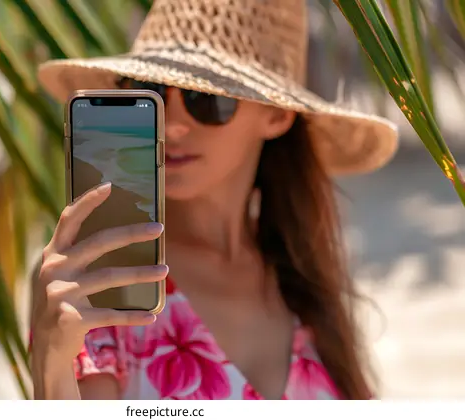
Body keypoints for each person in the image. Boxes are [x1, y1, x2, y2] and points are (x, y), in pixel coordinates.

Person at [30, 0, 398, 400]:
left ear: (276, 115)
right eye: (151, 92)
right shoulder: (104, 275)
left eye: (206, 100)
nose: (172, 124)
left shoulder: (301, 272)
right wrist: (53, 367)